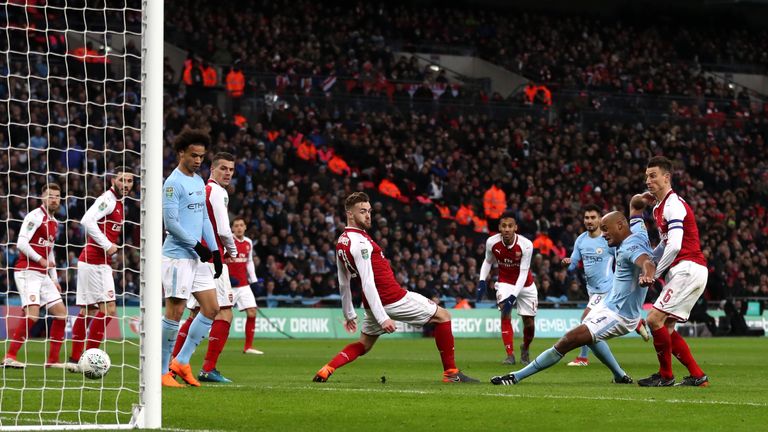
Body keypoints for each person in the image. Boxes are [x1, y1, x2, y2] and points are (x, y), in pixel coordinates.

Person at [313, 192, 478, 383]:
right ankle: (451, 373)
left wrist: (349, 313)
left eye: (369, 211)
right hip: (392, 298)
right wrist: (383, 318)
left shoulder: (342, 241)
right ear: (350, 214)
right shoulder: (361, 243)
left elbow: (343, 281)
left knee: (364, 345)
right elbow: (367, 283)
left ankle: (327, 369)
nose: (368, 215)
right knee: (443, 316)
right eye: (362, 211)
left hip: (372, 305)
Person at [492, 206, 655, 385]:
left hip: (611, 298)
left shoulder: (624, 246)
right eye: (587, 218)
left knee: (572, 336)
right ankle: (619, 374)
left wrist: (647, 274)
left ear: (618, 225)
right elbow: (635, 209)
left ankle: (516, 376)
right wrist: (644, 199)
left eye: (601, 224)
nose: (600, 230)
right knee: (588, 333)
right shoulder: (584, 240)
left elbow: (646, 261)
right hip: (599, 297)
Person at [639, 156, 709, 387]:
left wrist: (655, 272)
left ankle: (666, 376)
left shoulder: (673, 205)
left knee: (653, 319)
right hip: (689, 270)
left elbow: (676, 245)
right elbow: (665, 243)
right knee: (666, 326)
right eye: (647, 176)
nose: (648, 180)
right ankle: (698, 376)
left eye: (653, 175)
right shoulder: (660, 207)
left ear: (666, 177)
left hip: (687, 268)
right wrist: (651, 259)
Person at [160, 129, 223, 388]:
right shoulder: (173, 184)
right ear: (181, 153)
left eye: (201, 156)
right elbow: (171, 224)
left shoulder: (198, 181)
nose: (198, 161)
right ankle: (162, 371)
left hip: (197, 257)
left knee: (211, 308)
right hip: (178, 257)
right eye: (193, 155)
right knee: (174, 313)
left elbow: (205, 218)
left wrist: (216, 251)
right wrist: (197, 245)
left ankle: (182, 361)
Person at [172, 152, 238, 383]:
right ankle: (207, 367)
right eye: (223, 168)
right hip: (212, 259)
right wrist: (232, 250)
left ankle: (173, 363)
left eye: (231, 169)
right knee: (225, 312)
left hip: (197, 257)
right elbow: (221, 228)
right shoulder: (217, 192)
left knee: (195, 312)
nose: (228, 173)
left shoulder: (203, 189)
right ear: (212, 169)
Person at [561, 205, 650, 367]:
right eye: (586, 217)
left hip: (608, 289)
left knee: (585, 322)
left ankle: (583, 358)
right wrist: (569, 263)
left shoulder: (608, 238)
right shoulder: (581, 240)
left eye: (593, 217)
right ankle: (637, 322)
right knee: (589, 325)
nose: (589, 221)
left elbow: (624, 256)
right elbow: (574, 262)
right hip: (592, 292)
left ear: (600, 219)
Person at [66, 167, 134, 371]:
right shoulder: (108, 199)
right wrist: (107, 245)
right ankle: (89, 359)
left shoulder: (120, 203)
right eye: (122, 180)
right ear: (113, 180)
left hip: (96, 262)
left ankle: (75, 358)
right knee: (108, 310)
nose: (127, 184)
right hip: (94, 261)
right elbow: (87, 220)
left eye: (130, 181)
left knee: (88, 310)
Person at [4, 183, 68, 368]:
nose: (54, 199)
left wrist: (54, 278)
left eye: (57, 196)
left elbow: (50, 252)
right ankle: (9, 356)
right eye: (50, 195)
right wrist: (40, 260)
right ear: (42, 197)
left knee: (61, 314)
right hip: (27, 271)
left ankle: (53, 360)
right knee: (33, 315)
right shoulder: (34, 216)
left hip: (42, 275)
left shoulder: (54, 222)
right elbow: (21, 243)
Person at [476, 211, 537, 365]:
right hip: (505, 282)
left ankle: (526, 347)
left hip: (526, 285)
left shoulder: (526, 245)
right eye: (504, 226)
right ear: (499, 228)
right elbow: (488, 261)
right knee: (505, 313)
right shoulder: (492, 242)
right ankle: (510, 355)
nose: (507, 229)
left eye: (510, 226)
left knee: (529, 323)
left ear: (515, 227)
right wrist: (482, 281)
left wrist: (513, 297)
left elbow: (523, 273)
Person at [228, 217, 264, 355]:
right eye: (236, 225)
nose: (238, 228)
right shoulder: (228, 241)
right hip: (228, 286)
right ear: (232, 228)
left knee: (252, 312)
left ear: (245, 227)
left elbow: (249, 262)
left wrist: (254, 281)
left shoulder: (248, 242)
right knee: (217, 315)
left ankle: (248, 347)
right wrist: (226, 277)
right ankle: (196, 343)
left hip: (243, 285)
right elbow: (221, 260)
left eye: (241, 225)